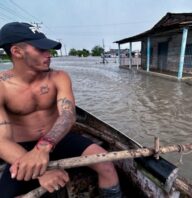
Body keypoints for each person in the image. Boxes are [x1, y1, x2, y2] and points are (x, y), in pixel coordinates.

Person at [0, 22, 121, 198]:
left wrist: (43, 148)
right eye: (41, 50)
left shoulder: (58, 77)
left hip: (58, 138)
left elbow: (68, 114)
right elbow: (2, 140)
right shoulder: (2, 86)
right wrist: (42, 172)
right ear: (17, 52)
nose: (49, 55)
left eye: (49, 49)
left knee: (106, 164)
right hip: (20, 147)